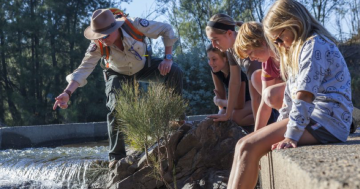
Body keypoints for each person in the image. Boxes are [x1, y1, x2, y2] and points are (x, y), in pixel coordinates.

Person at [227, 0, 353, 188]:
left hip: (328, 119)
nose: (279, 45)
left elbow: (305, 96)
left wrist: (291, 136)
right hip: (316, 117)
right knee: (242, 144)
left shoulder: (314, 46)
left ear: (294, 23)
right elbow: (290, 99)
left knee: (249, 147)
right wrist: (277, 129)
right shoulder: (297, 50)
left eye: (279, 39)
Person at [52, 9, 183, 168]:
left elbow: (166, 29)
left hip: (143, 67)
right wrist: (67, 92)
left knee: (175, 71)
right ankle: (116, 156)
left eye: (106, 35)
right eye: (99, 36)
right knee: (115, 106)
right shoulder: (97, 44)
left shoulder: (135, 25)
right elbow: (83, 69)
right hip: (117, 74)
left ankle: (177, 121)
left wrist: (168, 58)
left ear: (116, 28)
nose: (103, 39)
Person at [205, 13, 278, 127]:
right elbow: (234, 82)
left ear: (229, 33)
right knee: (227, 113)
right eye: (211, 40)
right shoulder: (230, 50)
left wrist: (257, 134)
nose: (213, 45)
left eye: (215, 39)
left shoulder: (249, 53)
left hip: (275, 95)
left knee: (255, 80)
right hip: (268, 94)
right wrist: (227, 114)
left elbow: (256, 98)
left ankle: (273, 120)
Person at [234, 21, 286, 131]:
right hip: (290, 99)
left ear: (261, 42)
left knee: (270, 93)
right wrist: (256, 134)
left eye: (250, 53)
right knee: (259, 80)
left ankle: (287, 119)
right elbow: (265, 105)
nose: (251, 59)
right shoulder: (267, 64)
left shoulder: (285, 52)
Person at [207, 44, 254, 131]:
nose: (210, 63)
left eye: (214, 59)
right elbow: (220, 96)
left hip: (251, 101)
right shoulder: (215, 71)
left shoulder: (238, 73)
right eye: (209, 59)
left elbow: (239, 104)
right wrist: (221, 105)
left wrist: (219, 101)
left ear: (226, 58)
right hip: (237, 104)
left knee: (235, 118)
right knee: (219, 116)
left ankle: (267, 118)